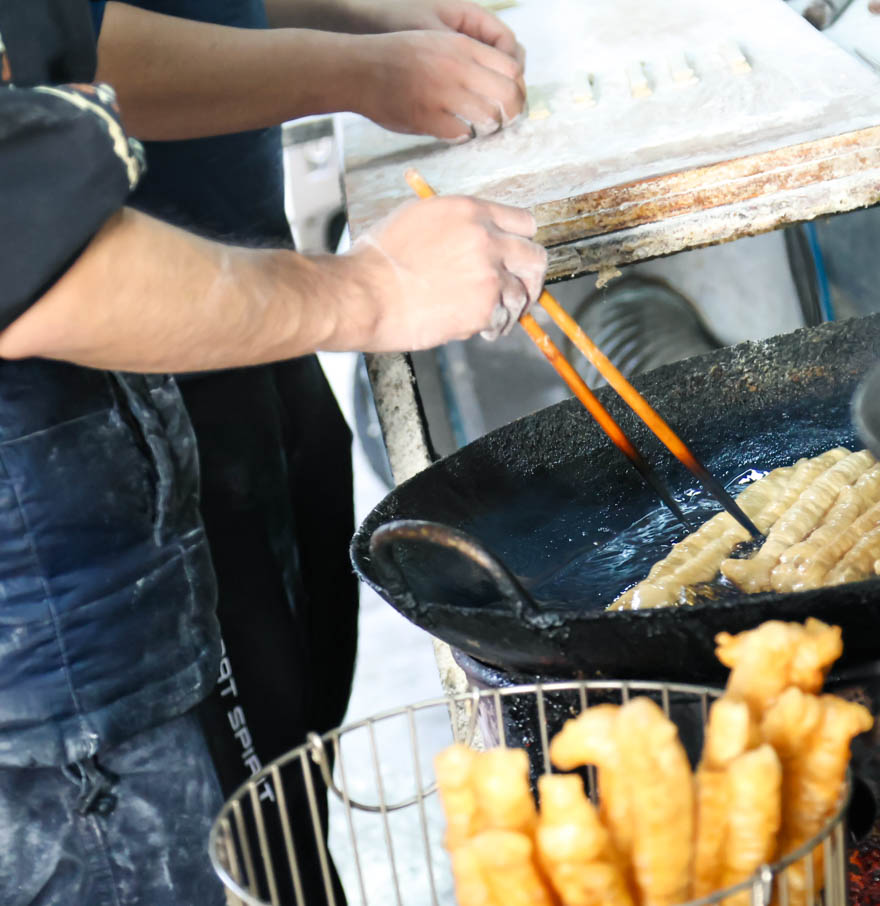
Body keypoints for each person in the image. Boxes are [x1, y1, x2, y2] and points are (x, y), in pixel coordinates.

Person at [0, 3, 546, 904]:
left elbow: (63, 37)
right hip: (49, 626)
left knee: (277, 834)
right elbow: (25, 246)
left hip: (125, 468)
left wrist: (351, 40)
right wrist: (373, 289)